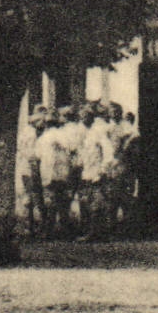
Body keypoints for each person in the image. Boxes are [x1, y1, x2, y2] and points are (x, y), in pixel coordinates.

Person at [35, 104, 81, 239]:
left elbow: (37, 156)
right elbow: (73, 149)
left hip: (48, 173)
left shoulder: (43, 138)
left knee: (50, 201)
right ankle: (64, 229)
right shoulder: (64, 135)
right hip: (63, 172)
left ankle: (50, 230)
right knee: (63, 202)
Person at [79, 103, 120, 243]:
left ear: (91, 116)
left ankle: (98, 233)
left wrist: (102, 170)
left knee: (97, 203)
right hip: (89, 171)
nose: (82, 119)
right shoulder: (90, 132)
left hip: (97, 173)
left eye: (85, 116)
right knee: (92, 202)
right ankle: (96, 232)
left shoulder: (99, 131)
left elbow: (108, 152)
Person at [19, 106, 50, 236]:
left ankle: (31, 225)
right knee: (35, 197)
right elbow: (31, 153)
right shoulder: (31, 134)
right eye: (42, 120)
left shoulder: (29, 132)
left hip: (29, 168)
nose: (43, 123)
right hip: (31, 168)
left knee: (32, 197)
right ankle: (35, 225)